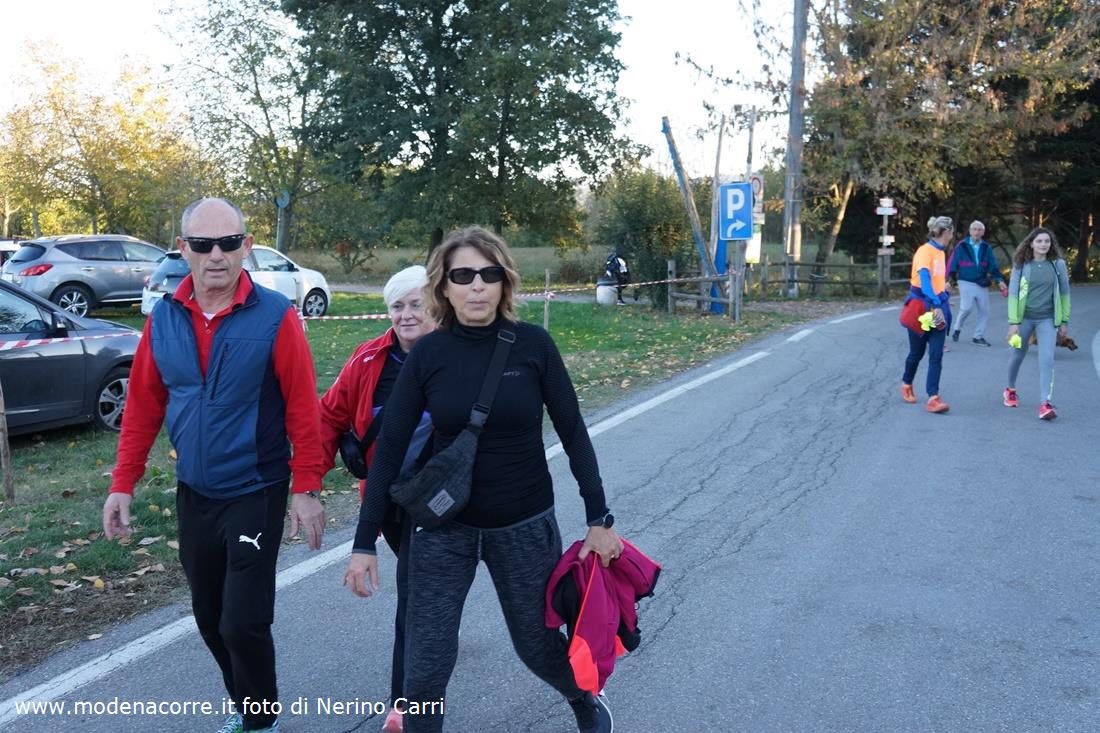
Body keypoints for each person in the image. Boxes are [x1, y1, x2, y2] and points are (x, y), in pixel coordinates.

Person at [344, 227, 622, 733]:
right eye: (463, 275)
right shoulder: (429, 355)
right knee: (425, 668)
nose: (477, 285)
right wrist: (364, 542)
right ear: (443, 287)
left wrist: (598, 519)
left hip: (523, 523)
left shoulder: (534, 345)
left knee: (537, 645)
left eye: (489, 274)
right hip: (443, 528)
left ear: (504, 282)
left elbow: (574, 433)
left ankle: (583, 698)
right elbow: (388, 453)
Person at [102, 197, 326, 733]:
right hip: (196, 491)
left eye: (228, 243)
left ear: (247, 246)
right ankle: (247, 704)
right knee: (209, 618)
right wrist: (123, 482)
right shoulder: (164, 318)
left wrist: (307, 486)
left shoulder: (275, 315)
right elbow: (143, 407)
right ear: (184, 249)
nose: (216, 255)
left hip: (256, 488)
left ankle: (261, 720)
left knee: (242, 620)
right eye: (203, 245)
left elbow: (302, 406)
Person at [320, 265, 435, 733]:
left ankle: (404, 705)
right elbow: (328, 417)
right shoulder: (368, 359)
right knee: (422, 593)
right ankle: (435, 637)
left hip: (446, 502)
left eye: (416, 305)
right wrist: (307, 484)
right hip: (386, 499)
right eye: (396, 306)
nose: (406, 315)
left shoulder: (457, 356)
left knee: (416, 593)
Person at [1003, 227, 1071, 420]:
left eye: (1047, 241)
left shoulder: (1058, 265)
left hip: (1047, 319)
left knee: (1047, 359)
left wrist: (1064, 320)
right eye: (1039, 241)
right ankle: (1010, 389)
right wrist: (1013, 322)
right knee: (1018, 354)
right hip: (1023, 318)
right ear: (1031, 243)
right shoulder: (1022, 264)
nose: (1043, 244)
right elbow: (1013, 293)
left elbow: (1065, 294)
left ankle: (1045, 403)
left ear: (1051, 244)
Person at [900, 216, 954, 414]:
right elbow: (924, 280)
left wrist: (943, 293)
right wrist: (935, 303)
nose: (952, 235)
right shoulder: (924, 251)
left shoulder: (941, 252)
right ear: (946, 232)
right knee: (917, 353)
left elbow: (935, 280)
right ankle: (906, 383)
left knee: (936, 354)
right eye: (952, 231)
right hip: (921, 308)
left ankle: (933, 397)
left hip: (938, 306)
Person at [947, 220, 1008, 346]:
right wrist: (951, 280)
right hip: (965, 281)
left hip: (981, 282)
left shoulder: (986, 247)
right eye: (974, 229)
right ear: (970, 231)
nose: (977, 232)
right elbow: (954, 263)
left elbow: (993, 265)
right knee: (966, 308)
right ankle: (957, 328)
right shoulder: (962, 246)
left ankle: (977, 336)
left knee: (985, 311)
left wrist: (1000, 280)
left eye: (980, 230)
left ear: (983, 232)